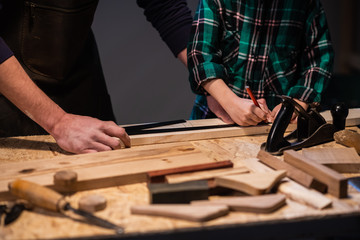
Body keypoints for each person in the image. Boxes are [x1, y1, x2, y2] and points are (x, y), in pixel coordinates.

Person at [0, 0, 192, 153]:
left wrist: (206, 75)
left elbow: (165, 5)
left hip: (79, 76)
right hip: (10, 94)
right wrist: (58, 122)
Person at [187, 0, 334, 126]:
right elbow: (199, 54)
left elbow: (320, 59)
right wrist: (230, 102)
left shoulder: (306, 4)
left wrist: (298, 102)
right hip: (218, 117)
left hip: (279, 123)